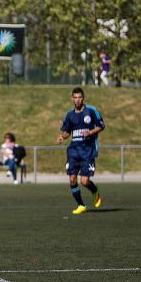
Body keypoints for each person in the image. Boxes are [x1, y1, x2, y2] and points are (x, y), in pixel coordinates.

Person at [56, 87, 104, 215]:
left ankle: (94, 191)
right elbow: (67, 132)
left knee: (84, 181)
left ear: (83, 98)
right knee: (72, 179)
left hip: (88, 151)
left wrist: (90, 132)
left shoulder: (91, 111)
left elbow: (101, 126)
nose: (77, 100)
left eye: (80, 97)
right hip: (73, 151)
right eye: (75, 98)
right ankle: (81, 205)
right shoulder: (70, 115)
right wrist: (62, 137)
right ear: (72, 99)